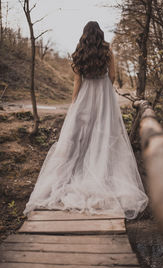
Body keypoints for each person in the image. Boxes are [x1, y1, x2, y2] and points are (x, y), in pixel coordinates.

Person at [23, 21, 149, 219]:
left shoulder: (79, 52)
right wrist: (105, 88)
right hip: (104, 97)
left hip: (85, 96)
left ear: (85, 34)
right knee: (104, 133)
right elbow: (113, 76)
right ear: (99, 33)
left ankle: (75, 172)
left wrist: (74, 105)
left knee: (79, 136)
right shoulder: (107, 51)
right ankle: (101, 171)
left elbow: (77, 83)